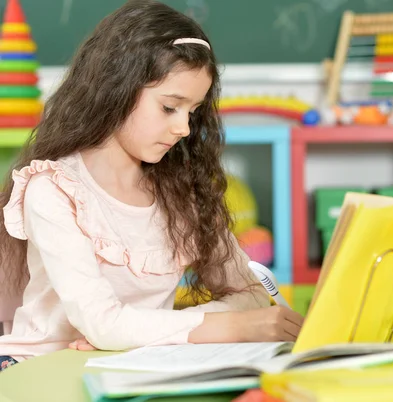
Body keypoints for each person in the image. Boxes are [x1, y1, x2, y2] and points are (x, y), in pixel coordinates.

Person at [0, 0, 303, 372]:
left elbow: (251, 295)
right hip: (42, 367)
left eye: (192, 112)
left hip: (136, 363)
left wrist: (137, 331)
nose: (185, 128)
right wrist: (229, 324)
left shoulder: (180, 193)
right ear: (117, 89)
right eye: (169, 107)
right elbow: (102, 324)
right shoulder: (53, 189)